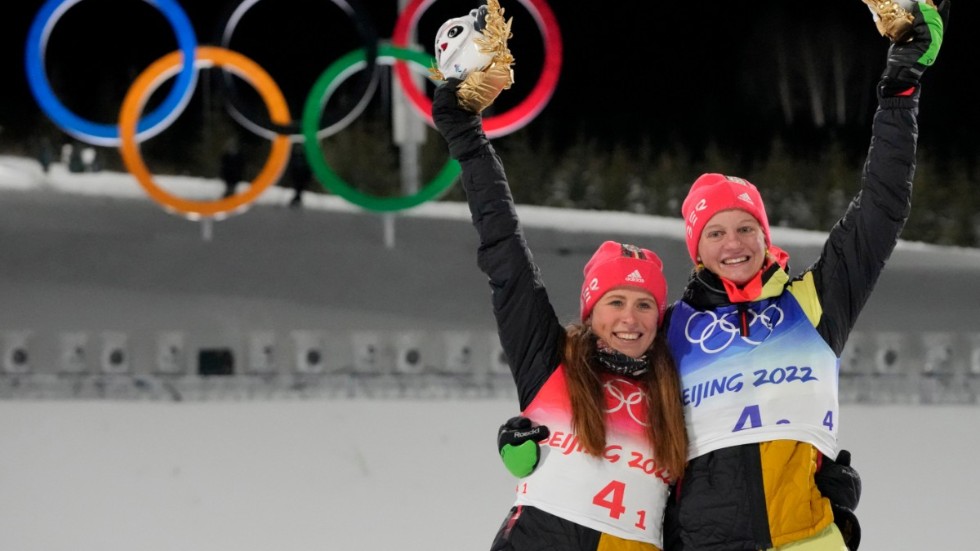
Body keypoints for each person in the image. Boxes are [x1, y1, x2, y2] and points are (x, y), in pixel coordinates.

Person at [495, 2, 948, 550]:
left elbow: (882, 206)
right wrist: (527, 445)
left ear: (765, 235)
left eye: (745, 228)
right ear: (698, 250)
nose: (733, 243)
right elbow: (594, 387)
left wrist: (901, 89)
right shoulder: (666, 330)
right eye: (715, 233)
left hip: (806, 538)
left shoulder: (814, 303)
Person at [433, 77, 689, 549]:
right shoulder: (551, 361)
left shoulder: (679, 385)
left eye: (643, 305)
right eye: (615, 303)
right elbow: (505, 255)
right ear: (591, 312)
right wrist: (467, 138)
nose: (629, 319)